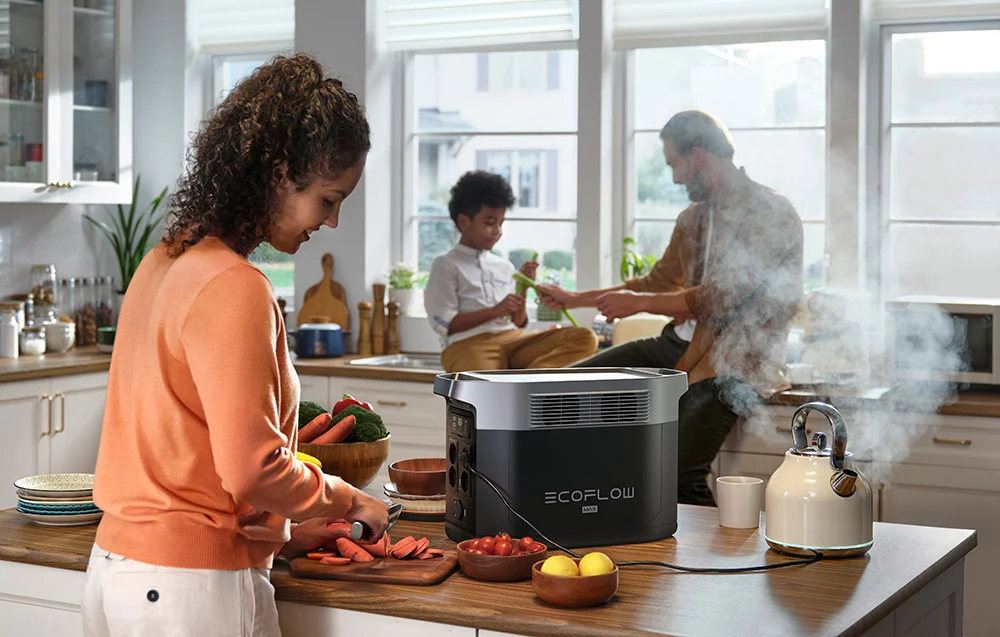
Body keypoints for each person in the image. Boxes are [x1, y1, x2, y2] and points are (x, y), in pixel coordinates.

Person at [81, 54, 389, 637]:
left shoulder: (163, 260)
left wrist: (290, 526)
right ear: (277, 173)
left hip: (117, 574)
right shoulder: (235, 286)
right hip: (191, 587)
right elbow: (252, 469)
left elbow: (186, 452)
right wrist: (349, 500)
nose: (333, 221)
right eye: (328, 198)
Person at [539, 110, 803, 507]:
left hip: (735, 364)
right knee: (559, 392)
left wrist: (639, 304)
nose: (676, 178)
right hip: (678, 348)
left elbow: (722, 295)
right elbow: (657, 282)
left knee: (677, 476)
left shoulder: (771, 213)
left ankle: (707, 567)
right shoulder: (694, 218)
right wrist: (574, 298)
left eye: (673, 164)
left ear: (696, 156)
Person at [424, 170, 597, 372]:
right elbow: (445, 324)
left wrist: (522, 288)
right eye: (489, 223)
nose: (497, 231)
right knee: (487, 386)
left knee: (584, 337)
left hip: (514, 340)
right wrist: (496, 311)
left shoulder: (504, 267)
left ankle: (528, 384)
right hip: (468, 345)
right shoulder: (446, 264)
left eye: (500, 223)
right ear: (464, 222)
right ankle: (523, 385)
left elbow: (518, 321)